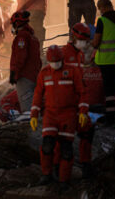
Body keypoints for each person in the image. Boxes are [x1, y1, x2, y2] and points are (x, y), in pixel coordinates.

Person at [30, 45, 88, 187]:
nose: (55, 64)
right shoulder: (44, 73)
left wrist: (83, 111)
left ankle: (64, 180)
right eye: (52, 62)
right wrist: (34, 114)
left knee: (66, 148)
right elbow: (38, 94)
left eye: (58, 61)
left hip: (68, 114)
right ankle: (46, 175)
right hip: (50, 114)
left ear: (62, 59)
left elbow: (82, 92)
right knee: (47, 145)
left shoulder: (72, 71)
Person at [62, 23, 95, 177]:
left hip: (77, 102)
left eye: (85, 40)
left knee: (87, 131)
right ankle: (60, 173)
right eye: (80, 39)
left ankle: (85, 164)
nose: (82, 43)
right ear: (73, 36)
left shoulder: (80, 55)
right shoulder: (62, 53)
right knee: (63, 142)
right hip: (64, 104)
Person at [92, 0, 115, 125]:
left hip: (106, 62)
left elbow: (96, 43)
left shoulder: (102, 21)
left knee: (109, 91)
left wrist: (91, 44)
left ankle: (111, 117)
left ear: (101, 8)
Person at [9, 11, 42, 113]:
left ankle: (30, 128)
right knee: (35, 106)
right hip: (34, 76)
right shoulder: (33, 37)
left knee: (27, 109)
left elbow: (20, 57)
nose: (13, 27)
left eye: (13, 24)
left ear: (17, 23)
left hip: (24, 78)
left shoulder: (21, 37)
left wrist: (14, 72)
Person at [0, 0, 17, 67]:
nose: (10, 6)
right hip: (4, 44)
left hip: (9, 43)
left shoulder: (6, 15)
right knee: (4, 64)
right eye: (9, 4)